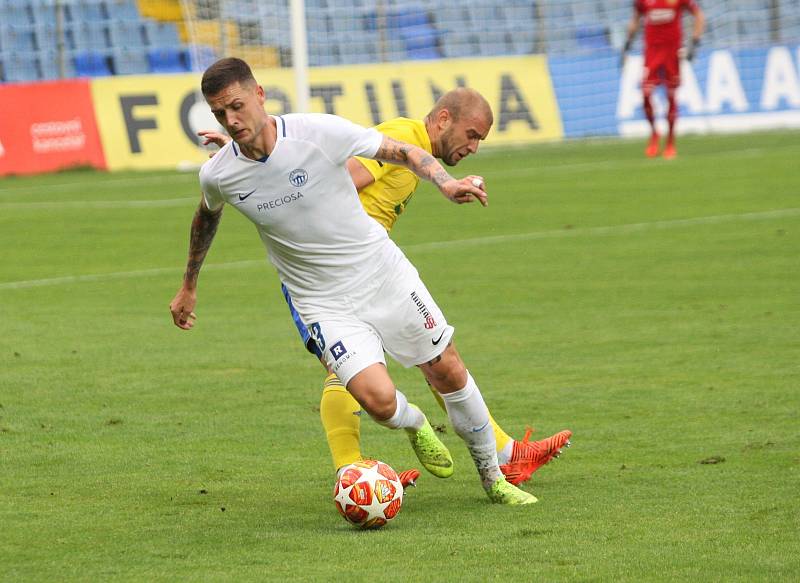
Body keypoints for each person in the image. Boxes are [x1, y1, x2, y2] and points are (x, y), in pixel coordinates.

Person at [170, 57, 537, 504]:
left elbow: (403, 152)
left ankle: (493, 477)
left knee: (447, 368)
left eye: (237, 106)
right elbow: (205, 218)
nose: (231, 119)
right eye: (220, 114)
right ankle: (416, 425)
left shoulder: (318, 131)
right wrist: (189, 283)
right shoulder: (219, 173)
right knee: (380, 402)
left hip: (381, 272)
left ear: (259, 95)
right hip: (322, 302)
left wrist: (444, 183)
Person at [621, 0, 705, 159]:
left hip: (672, 52)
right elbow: (635, 18)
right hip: (651, 52)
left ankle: (670, 143)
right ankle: (654, 134)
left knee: (671, 96)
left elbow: (699, 15)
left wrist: (695, 42)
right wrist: (627, 44)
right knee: (645, 94)